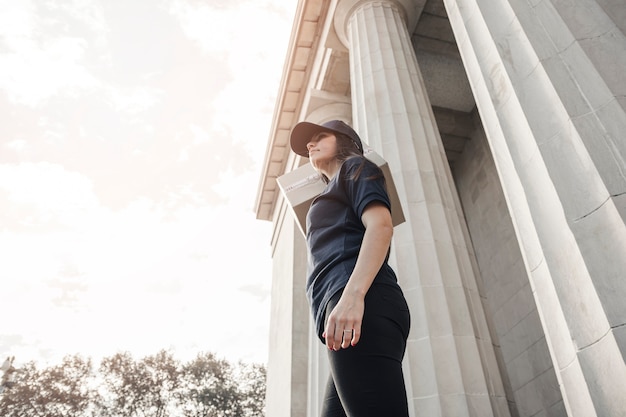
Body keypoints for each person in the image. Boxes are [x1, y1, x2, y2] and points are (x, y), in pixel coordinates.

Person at [290, 120, 411, 417]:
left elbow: (381, 226)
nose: (310, 144)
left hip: (359, 301)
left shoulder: (356, 166)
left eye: (320, 136)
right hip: (344, 311)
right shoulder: (333, 188)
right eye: (309, 142)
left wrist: (353, 296)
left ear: (343, 140)